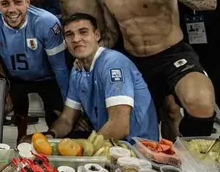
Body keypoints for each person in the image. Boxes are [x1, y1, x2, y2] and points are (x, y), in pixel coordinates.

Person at [92, 0, 218, 137]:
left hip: (173, 54)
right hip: (136, 62)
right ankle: (166, 161)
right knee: (153, 119)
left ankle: (194, 159)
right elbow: (113, 34)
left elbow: (208, 0)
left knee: (201, 104)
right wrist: (91, 53)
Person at [41, 13, 158, 142]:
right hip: (107, 142)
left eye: (83, 32)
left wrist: (86, 151)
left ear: (97, 35)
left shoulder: (113, 63)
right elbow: (67, 119)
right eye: (69, 34)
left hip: (136, 147)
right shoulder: (77, 70)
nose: (76, 39)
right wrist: (50, 135)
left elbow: (119, 126)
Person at [0, 0, 69, 138]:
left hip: (48, 77)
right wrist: (0, 85)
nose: (12, 9)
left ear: (27, 1)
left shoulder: (46, 22)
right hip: (14, 77)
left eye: (17, 2)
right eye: (5, 4)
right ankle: (15, 136)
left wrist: (69, 108)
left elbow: (60, 69)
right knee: (4, 107)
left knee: (59, 116)